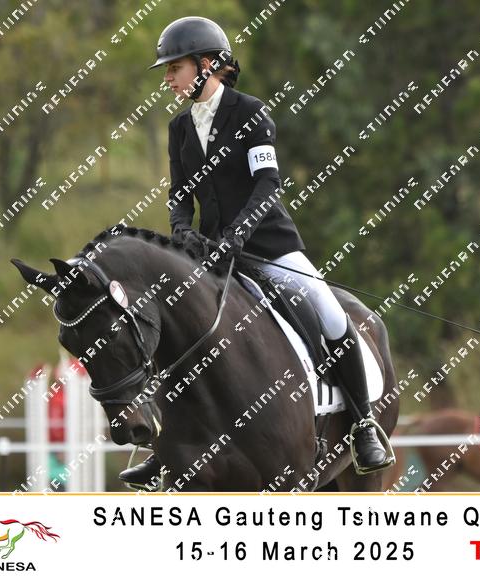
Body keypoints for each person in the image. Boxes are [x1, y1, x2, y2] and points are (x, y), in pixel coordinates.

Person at [118, 16, 394, 488]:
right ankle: (166, 445)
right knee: (172, 322)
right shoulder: (179, 127)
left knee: (330, 313)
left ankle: (364, 424)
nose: (168, 78)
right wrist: (182, 231)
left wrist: (237, 237)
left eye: (175, 68)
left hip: (268, 245)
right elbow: (180, 193)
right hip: (210, 252)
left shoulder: (249, 112)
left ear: (207, 65)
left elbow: (267, 185)